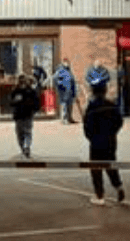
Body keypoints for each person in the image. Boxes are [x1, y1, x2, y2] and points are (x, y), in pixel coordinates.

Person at [83, 66, 125, 205]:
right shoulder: (111, 105)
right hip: (110, 141)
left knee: (96, 169)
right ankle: (118, 186)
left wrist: (92, 137)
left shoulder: (92, 107)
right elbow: (119, 121)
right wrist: (112, 132)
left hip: (96, 142)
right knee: (111, 164)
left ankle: (100, 195)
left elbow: (87, 126)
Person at [10, 73, 40, 158]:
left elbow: (11, 103)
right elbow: (36, 103)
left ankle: (25, 147)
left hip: (22, 115)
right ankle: (25, 147)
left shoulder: (24, 91)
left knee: (22, 133)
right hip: (24, 115)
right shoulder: (18, 91)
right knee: (25, 132)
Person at [53, 60, 77, 124]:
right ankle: (64, 119)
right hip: (64, 91)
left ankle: (70, 118)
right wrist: (61, 85)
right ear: (63, 63)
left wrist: (74, 91)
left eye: (68, 62)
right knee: (64, 105)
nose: (67, 64)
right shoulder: (60, 70)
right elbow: (55, 78)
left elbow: (72, 81)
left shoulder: (69, 71)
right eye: (65, 62)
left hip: (70, 91)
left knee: (70, 105)